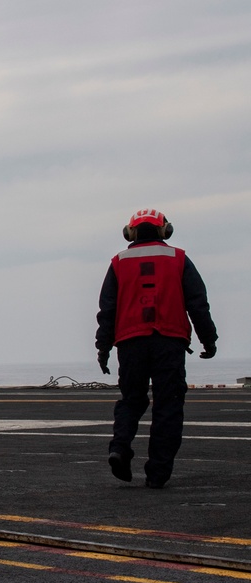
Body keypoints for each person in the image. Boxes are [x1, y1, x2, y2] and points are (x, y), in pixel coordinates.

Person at [95, 208, 217, 489]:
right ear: (165, 230)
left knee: (131, 400)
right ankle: (158, 472)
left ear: (131, 232)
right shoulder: (179, 259)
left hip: (130, 342)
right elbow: (198, 304)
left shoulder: (118, 262)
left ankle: (119, 447)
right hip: (168, 340)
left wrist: (103, 348)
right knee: (168, 405)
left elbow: (107, 310)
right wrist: (208, 339)